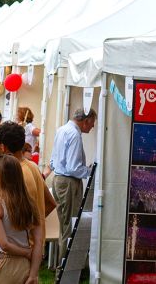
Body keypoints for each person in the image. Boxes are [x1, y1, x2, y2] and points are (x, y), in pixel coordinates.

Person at [0, 121, 56, 281]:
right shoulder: (32, 166)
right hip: (32, 246)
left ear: (2, 147)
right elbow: (50, 203)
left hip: (21, 250)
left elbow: (20, 212)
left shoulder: (18, 174)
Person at [0, 155, 41, 284]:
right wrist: (33, 274)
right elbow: (38, 242)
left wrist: (26, 253)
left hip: (3, 265)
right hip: (25, 267)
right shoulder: (30, 204)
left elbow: (5, 245)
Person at [50, 109, 96, 260]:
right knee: (69, 227)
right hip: (68, 182)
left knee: (65, 226)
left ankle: (60, 268)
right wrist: (90, 171)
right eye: (92, 122)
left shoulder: (62, 130)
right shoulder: (74, 134)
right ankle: (63, 270)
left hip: (59, 179)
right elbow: (73, 168)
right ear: (86, 121)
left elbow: (53, 160)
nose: (93, 126)